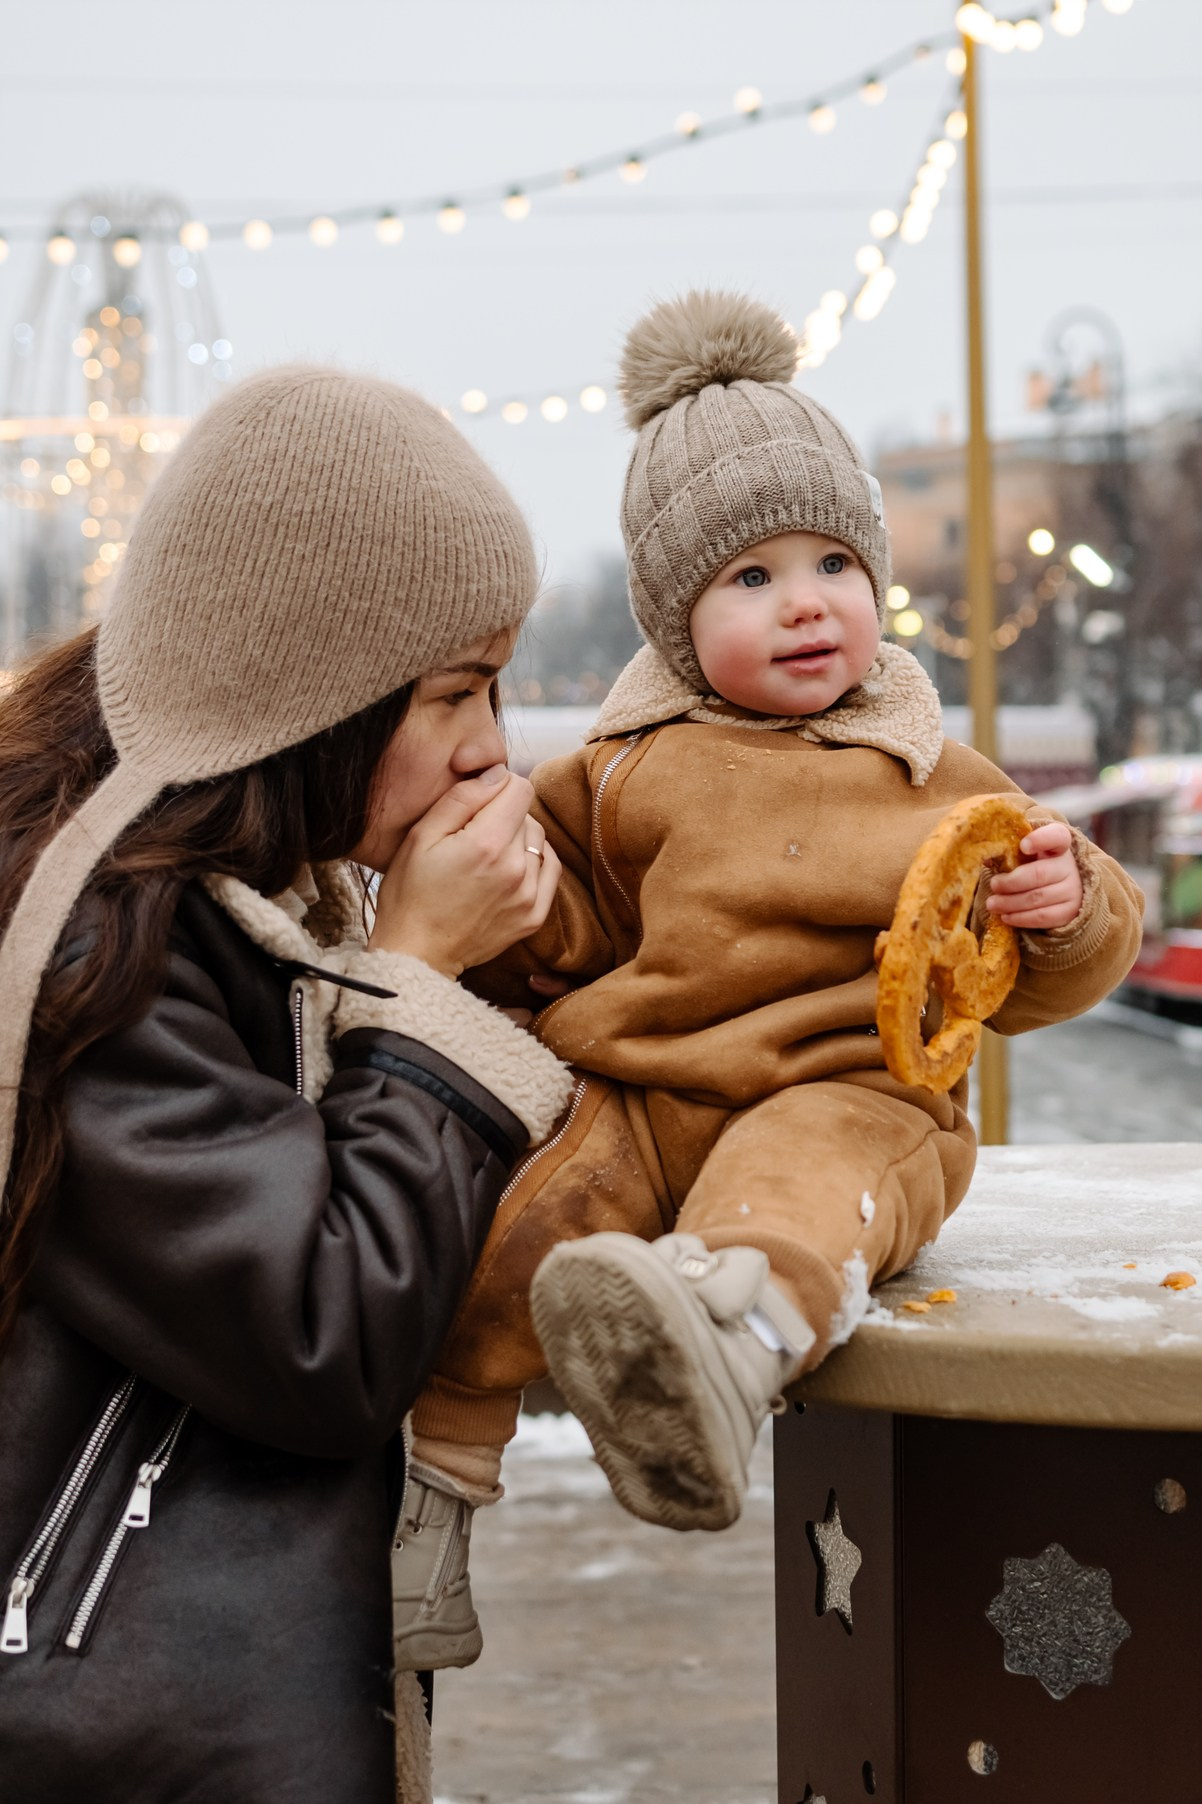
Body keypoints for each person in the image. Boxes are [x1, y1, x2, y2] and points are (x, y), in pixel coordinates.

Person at [389, 291, 1146, 1673]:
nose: (803, 602)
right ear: (673, 621)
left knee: (798, 1187)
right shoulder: (617, 771)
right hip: (643, 1091)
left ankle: (721, 1357)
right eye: (747, 579)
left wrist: (1065, 907)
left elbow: (1026, 984)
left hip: (856, 1086)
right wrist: (468, 887)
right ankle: (429, 1517)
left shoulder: (933, 772)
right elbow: (550, 931)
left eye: (831, 565)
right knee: (501, 1231)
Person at [0, 365, 576, 1804]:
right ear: (309, 694)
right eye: (454, 690)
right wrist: (421, 979)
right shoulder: (93, 942)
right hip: (125, 1731)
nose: (489, 744)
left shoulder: (239, 898)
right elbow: (321, 1332)